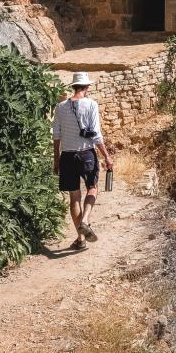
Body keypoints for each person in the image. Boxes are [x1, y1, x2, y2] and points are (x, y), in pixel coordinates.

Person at [52, 72, 114, 252]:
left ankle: (80, 239)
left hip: (67, 156)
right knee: (92, 188)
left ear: (73, 86)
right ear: (86, 87)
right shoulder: (91, 104)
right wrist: (107, 156)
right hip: (86, 154)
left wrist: (56, 160)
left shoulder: (60, 107)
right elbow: (96, 134)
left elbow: (56, 136)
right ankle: (85, 220)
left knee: (74, 197)